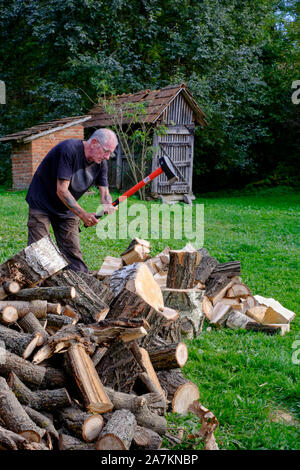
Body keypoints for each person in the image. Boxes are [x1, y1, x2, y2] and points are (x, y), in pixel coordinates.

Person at [25, 128, 118, 272]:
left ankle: (78, 288)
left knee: (74, 258)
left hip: (67, 209)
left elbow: (104, 193)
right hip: (42, 203)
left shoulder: (101, 163)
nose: (107, 157)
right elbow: (62, 190)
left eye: (110, 153)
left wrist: (107, 205)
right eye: (106, 151)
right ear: (94, 143)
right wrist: (84, 215)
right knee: (40, 254)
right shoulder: (69, 150)